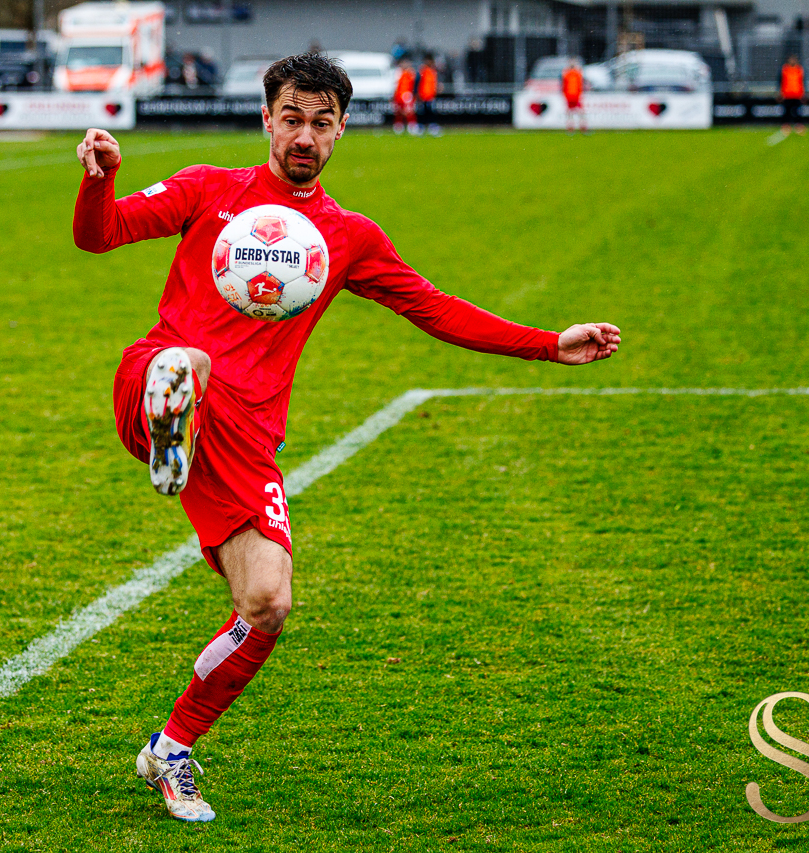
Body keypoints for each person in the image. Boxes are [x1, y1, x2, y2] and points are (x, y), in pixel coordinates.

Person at [72, 52, 621, 823]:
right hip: (160, 379)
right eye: (291, 118)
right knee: (187, 360)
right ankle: (170, 420)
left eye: (321, 122)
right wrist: (99, 178)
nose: (305, 135)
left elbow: (433, 306)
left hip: (246, 434)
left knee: (268, 603)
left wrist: (546, 344)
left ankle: (172, 747)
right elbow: (99, 236)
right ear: (267, 119)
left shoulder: (347, 236)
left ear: (341, 130)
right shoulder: (207, 189)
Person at [779, 55, 806, 135]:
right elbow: (781, 81)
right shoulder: (785, 69)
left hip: (797, 94)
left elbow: (802, 82)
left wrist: (803, 93)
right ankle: (786, 126)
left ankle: (798, 126)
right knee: (787, 111)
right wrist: (781, 93)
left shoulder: (799, 69)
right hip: (787, 94)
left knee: (797, 111)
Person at [392, 58, 418, 134]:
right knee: (399, 111)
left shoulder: (410, 73)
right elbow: (395, 85)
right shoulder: (398, 72)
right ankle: (398, 126)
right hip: (399, 95)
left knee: (409, 111)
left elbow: (414, 84)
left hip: (407, 95)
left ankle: (412, 126)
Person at [417, 55, 441, 136]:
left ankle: (432, 126)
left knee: (430, 111)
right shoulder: (423, 71)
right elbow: (418, 82)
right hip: (423, 95)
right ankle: (421, 127)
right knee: (423, 111)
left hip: (430, 95)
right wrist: (418, 93)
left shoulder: (433, 71)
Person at [562, 58, 587, 134]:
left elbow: (564, 86)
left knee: (570, 113)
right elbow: (580, 85)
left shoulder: (567, 74)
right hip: (576, 96)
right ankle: (582, 127)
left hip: (569, 96)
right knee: (580, 112)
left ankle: (570, 128)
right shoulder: (577, 74)